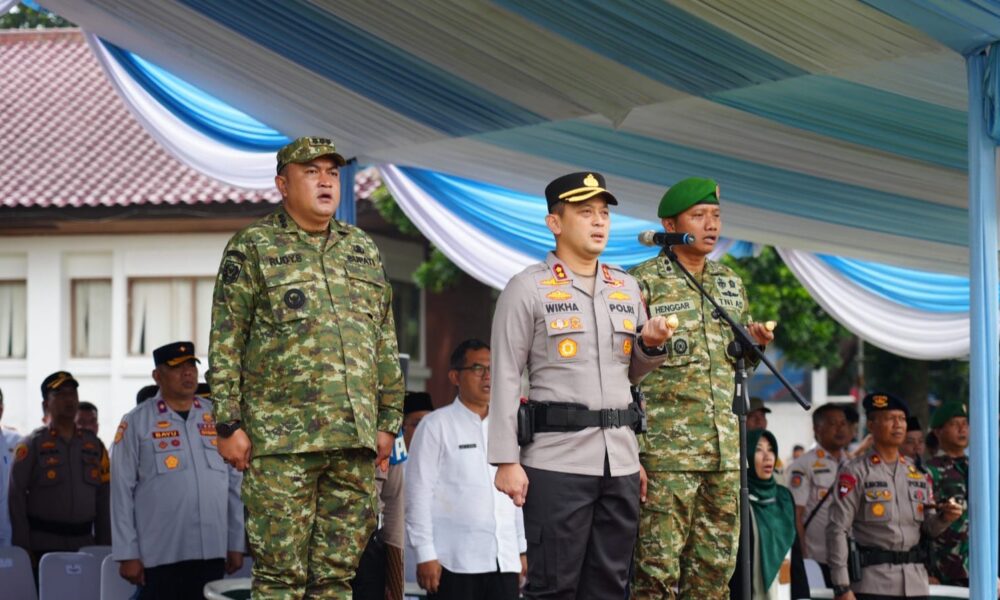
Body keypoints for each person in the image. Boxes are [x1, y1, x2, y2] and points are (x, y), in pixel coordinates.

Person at [209, 136, 405, 598]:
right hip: (282, 443)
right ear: (282, 183)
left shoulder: (361, 248)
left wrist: (388, 421)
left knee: (338, 579)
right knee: (281, 578)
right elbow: (226, 340)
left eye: (332, 173)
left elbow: (384, 338)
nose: (325, 181)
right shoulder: (253, 247)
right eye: (311, 172)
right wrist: (227, 423)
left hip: (353, 442)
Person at [490, 171, 671, 600]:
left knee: (611, 586)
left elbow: (630, 375)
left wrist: (649, 347)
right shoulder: (527, 288)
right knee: (554, 587)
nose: (599, 222)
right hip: (557, 463)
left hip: (621, 462)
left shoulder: (625, 287)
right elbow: (504, 375)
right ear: (555, 223)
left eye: (604, 213)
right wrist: (505, 460)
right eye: (585, 212)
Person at [628, 177, 774, 599]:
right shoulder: (641, 283)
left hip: (725, 455)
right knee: (656, 573)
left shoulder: (729, 283)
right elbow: (626, 367)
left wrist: (753, 344)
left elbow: (736, 363)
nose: (711, 224)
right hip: (666, 456)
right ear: (669, 223)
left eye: (716, 216)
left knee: (715, 572)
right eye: (699, 216)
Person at [111, 342, 245, 598]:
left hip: (211, 549)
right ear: (157, 376)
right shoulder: (137, 421)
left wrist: (235, 542)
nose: (187, 373)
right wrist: (127, 553)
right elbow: (120, 491)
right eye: (177, 368)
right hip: (161, 553)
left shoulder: (217, 420)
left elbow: (234, 486)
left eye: (191, 366)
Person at [408, 339, 527, 599]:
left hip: (503, 559)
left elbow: (515, 494)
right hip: (453, 561)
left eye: (491, 368)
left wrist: (520, 548)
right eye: (477, 368)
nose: (487, 376)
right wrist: (425, 553)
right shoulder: (435, 426)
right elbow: (417, 494)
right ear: (455, 376)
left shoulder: (506, 427)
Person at [826, 393, 963, 600]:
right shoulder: (855, 471)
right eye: (890, 419)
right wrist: (842, 586)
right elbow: (837, 529)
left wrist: (945, 518)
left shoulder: (917, 473)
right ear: (871, 425)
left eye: (901, 419)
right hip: (874, 584)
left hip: (915, 583)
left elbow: (928, 529)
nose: (898, 425)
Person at [10, 371, 111, 561]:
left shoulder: (95, 446)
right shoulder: (31, 445)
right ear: (46, 404)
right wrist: (22, 547)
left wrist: (105, 546)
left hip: (86, 545)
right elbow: (15, 497)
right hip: (42, 547)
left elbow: (104, 499)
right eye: (60, 394)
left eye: (72, 393)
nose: (69, 399)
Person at [728, 429, 806, 599]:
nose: (768, 456)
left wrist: (803, 595)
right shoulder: (737, 499)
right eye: (758, 450)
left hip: (784, 588)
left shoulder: (784, 497)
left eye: (770, 449)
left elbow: (796, 553)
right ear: (745, 456)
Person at [788, 403, 852, 586]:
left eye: (843, 423)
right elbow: (796, 515)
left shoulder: (852, 464)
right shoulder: (804, 465)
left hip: (850, 558)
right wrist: (803, 555)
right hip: (817, 559)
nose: (841, 428)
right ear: (817, 429)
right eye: (833, 423)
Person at [925, 401, 969, 586]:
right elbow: (921, 524)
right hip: (945, 571)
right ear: (938, 431)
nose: (962, 429)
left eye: (965, 423)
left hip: (981, 565)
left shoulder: (980, 467)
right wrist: (925, 569)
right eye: (953, 424)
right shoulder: (929, 470)